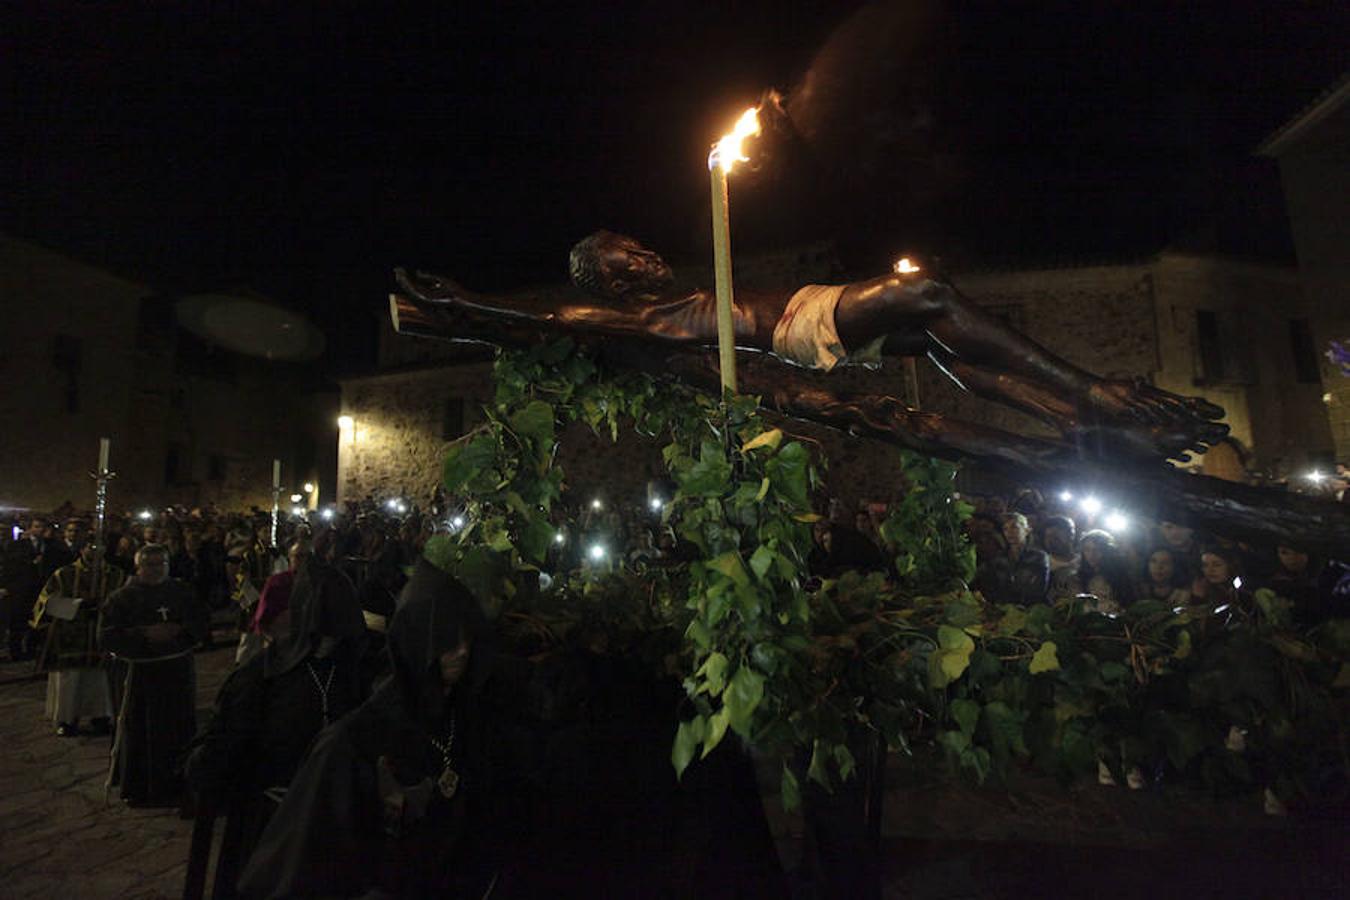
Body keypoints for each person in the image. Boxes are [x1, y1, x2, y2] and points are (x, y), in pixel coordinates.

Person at [396, 231, 1228, 461]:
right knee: (926, 292)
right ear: (608, 285)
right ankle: (1090, 392)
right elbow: (545, 323)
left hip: (812, 323)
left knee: (942, 343)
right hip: (802, 322)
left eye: (641, 248)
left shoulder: (678, 290)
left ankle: (1069, 419)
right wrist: (469, 303)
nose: (646, 258)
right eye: (628, 262)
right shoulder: (646, 320)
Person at [237, 558, 525, 899]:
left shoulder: (466, 720)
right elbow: (313, 863)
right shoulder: (353, 742)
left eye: (466, 638)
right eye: (446, 640)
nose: (461, 651)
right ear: (419, 642)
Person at [185, 554, 366, 899]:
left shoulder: (355, 672)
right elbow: (226, 747)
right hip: (272, 820)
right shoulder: (264, 674)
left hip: (332, 819)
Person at [100, 543, 211, 807]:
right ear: (138, 567)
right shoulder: (121, 598)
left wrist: (180, 630)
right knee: (141, 730)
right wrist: (143, 634)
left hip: (176, 672)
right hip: (141, 674)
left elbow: (201, 621)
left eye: (161, 564)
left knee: (178, 728)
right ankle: (140, 788)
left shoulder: (182, 592)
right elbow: (107, 636)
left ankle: (178, 783)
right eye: (150, 564)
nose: (156, 569)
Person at [30, 542, 126, 736]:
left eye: (98, 546)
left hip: (101, 636)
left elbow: (126, 602)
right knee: (70, 679)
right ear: (82, 549)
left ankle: (101, 715)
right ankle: (67, 719)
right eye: (89, 546)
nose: (94, 550)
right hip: (70, 635)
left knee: (99, 679)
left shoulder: (117, 575)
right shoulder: (64, 574)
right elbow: (46, 601)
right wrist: (78, 605)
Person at [1042, 515, 1078, 600]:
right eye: (1048, 537)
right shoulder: (1042, 564)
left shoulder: (1086, 560)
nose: (1051, 541)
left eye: (1056, 536)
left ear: (1071, 535)